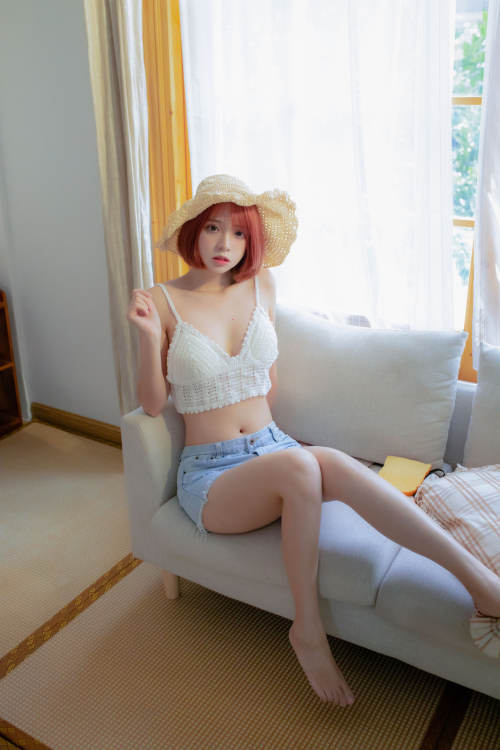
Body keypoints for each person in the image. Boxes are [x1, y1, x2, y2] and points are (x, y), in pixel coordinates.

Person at [127, 174, 500, 708]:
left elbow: (268, 387)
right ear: (193, 231)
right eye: (213, 228)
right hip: (212, 476)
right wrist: (147, 339)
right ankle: (307, 629)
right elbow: (153, 404)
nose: (225, 243)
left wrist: (270, 446)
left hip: (272, 448)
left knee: (336, 464)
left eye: (238, 233)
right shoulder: (162, 301)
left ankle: (482, 584)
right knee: (304, 466)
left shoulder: (263, 286)